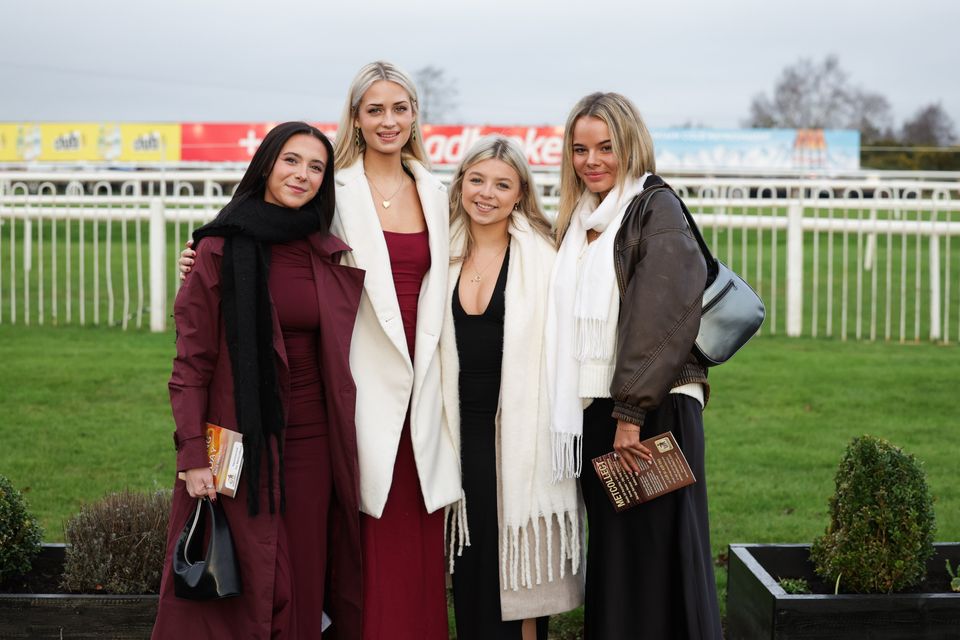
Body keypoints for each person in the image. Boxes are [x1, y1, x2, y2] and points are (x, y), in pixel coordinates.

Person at [153, 122, 365, 639]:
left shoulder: (324, 246)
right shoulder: (219, 247)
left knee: (306, 573)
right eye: (292, 161)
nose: (303, 175)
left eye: (316, 167)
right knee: (243, 579)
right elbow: (191, 363)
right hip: (237, 436)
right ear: (267, 164)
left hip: (314, 439)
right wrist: (192, 456)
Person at [546, 93, 723, 639]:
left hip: (651, 409)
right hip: (609, 405)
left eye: (607, 147)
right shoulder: (582, 219)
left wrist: (629, 416)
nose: (592, 160)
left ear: (632, 145)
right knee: (623, 560)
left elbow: (661, 318)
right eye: (580, 149)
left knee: (655, 558)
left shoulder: (654, 207)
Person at [330, 61, 460, 640]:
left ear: (415, 116)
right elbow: (265, 234)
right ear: (356, 118)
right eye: (375, 109)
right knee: (368, 534)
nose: (389, 121)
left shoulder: (439, 191)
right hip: (361, 385)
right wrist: (201, 257)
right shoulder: (332, 190)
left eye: (400, 108)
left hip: (430, 384)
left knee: (419, 531)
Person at [440, 136, 584, 640]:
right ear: (460, 185)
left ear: (520, 193)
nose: (487, 194)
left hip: (525, 431)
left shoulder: (545, 256)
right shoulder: (440, 251)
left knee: (522, 568)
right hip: (457, 430)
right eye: (476, 180)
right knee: (473, 563)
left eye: (502, 184)